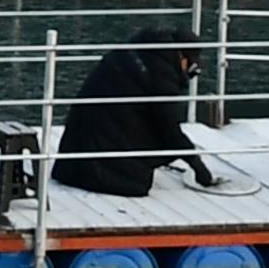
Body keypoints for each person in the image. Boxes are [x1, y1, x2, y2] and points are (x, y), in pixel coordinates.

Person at [51, 31, 219, 196]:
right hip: (100, 145)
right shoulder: (162, 78)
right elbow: (169, 129)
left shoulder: (142, 48)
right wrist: (197, 166)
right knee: (145, 171)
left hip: (81, 134)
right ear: (183, 59)